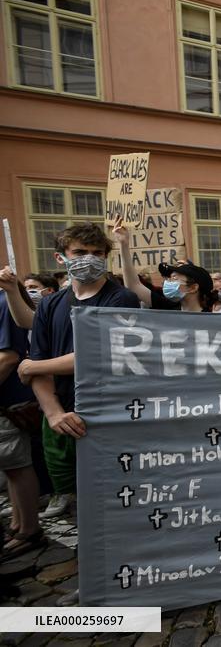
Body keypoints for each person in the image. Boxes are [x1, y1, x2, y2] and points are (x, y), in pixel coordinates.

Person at [18, 222, 140, 530]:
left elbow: (102, 353)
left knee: (116, 499)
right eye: (80, 252)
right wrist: (53, 412)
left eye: (97, 253)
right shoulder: (50, 304)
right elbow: (40, 357)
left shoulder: (119, 299)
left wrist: (33, 367)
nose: (89, 258)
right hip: (63, 415)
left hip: (107, 414)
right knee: (78, 503)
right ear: (61, 258)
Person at [0, 288, 43, 558]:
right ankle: (18, 524)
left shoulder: (4, 301)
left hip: (9, 403)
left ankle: (29, 528)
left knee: (17, 464)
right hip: (7, 402)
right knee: (10, 468)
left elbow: (8, 357)